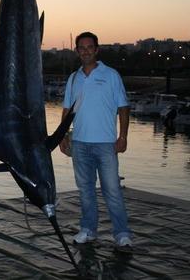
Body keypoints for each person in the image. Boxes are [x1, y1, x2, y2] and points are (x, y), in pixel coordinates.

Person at [59, 31, 132, 248]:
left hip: (106, 144)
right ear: (77, 51)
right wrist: (62, 136)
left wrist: (123, 136)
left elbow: (124, 107)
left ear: (97, 49)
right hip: (79, 143)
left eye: (89, 47)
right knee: (85, 190)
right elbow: (66, 109)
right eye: (81, 48)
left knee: (112, 190)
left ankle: (121, 233)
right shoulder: (74, 78)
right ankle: (88, 229)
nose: (86, 51)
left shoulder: (111, 75)